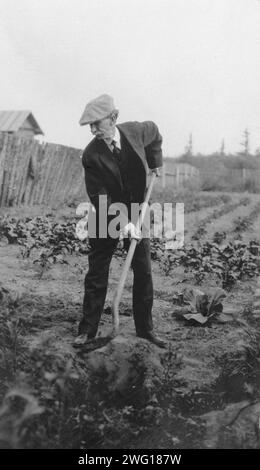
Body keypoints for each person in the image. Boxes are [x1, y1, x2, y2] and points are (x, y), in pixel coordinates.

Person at [74, 94, 166, 348]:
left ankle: (145, 329)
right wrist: (124, 223)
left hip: (138, 208)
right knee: (97, 271)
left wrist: (155, 162)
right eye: (89, 125)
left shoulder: (136, 131)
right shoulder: (91, 155)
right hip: (105, 213)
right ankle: (88, 330)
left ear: (113, 118)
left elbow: (155, 133)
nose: (93, 130)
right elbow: (99, 196)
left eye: (96, 123)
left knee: (143, 271)